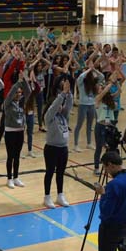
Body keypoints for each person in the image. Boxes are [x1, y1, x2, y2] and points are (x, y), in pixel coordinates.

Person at [43, 78, 72, 209]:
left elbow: (69, 106)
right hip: (51, 148)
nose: (61, 106)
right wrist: (62, 94)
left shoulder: (63, 116)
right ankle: (47, 196)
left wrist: (69, 93)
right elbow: (55, 106)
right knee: (50, 172)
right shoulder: (49, 116)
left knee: (61, 172)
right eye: (60, 104)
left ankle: (60, 195)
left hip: (63, 148)